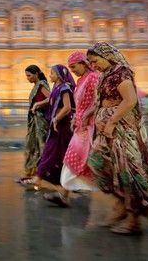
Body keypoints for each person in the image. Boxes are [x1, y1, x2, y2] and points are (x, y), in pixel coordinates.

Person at [86, 42, 148, 235]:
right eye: (90, 62)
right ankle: (122, 204)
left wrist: (112, 121)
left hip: (121, 131)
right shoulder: (106, 75)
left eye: (95, 60)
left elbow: (130, 100)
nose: (93, 65)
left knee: (126, 172)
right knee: (97, 164)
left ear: (106, 55)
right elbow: (102, 101)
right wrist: (90, 114)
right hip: (106, 131)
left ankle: (134, 220)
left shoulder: (121, 73)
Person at [48, 51, 100, 205]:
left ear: (84, 63)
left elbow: (98, 101)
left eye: (74, 66)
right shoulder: (82, 80)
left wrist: (86, 115)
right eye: (70, 68)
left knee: (81, 159)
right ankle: (64, 194)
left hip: (90, 126)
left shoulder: (93, 78)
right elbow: (80, 104)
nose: (72, 70)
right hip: (80, 127)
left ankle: (125, 200)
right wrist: (76, 117)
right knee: (72, 158)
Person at [28, 65, 75, 207]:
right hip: (55, 127)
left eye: (52, 73)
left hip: (62, 127)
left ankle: (44, 180)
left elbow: (67, 107)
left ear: (60, 75)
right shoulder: (56, 87)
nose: (50, 76)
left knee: (53, 153)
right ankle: (58, 187)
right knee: (52, 153)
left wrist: (56, 118)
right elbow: (50, 100)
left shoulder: (65, 88)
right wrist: (38, 104)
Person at [19, 65, 50, 182]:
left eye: (29, 75)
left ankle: (41, 175)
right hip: (35, 120)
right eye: (26, 76)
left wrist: (38, 104)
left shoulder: (41, 85)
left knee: (41, 146)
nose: (27, 78)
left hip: (41, 120)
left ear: (36, 74)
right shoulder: (36, 85)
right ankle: (33, 174)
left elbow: (51, 98)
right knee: (33, 146)